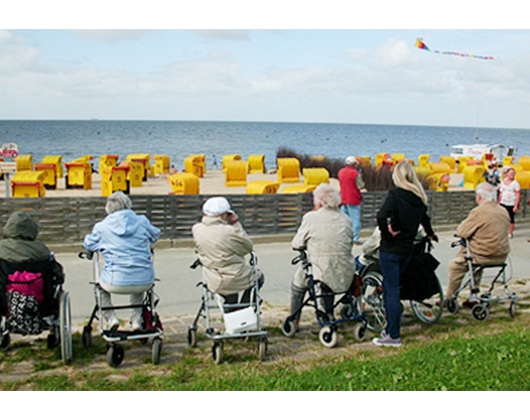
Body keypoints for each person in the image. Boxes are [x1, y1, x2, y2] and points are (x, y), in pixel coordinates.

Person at [372, 161, 437, 347]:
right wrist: (431, 234)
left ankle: (393, 335)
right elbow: (425, 219)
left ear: (397, 176)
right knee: (391, 287)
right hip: (407, 250)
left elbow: (381, 216)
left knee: (391, 290)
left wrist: (387, 232)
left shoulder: (395, 195)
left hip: (391, 249)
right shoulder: (418, 197)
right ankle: (390, 326)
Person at [83, 191, 160, 331]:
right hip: (144, 280)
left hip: (114, 281)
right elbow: (155, 235)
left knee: (100, 288)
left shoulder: (102, 227)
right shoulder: (142, 221)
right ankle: (137, 319)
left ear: (108, 208)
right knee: (137, 283)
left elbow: (88, 244)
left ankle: (111, 318)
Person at [290, 184, 355, 327]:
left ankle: (294, 320)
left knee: (298, 285)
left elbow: (296, 243)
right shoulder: (346, 220)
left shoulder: (311, 218)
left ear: (319, 201)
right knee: (329, 271)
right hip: (345, 272)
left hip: (321, 272)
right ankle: (329, 312)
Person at [445, 182, 510, 307]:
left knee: (456, 266)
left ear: (480, 197)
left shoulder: (479, 212)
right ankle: (472, 296)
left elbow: (462, 232)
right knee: (474, 265)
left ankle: (450, 297)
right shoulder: (503, 211)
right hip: (501, 256)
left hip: (482, 255)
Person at [192, 196, 264, 307]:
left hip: (213, 279)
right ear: (224, 215)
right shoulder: (229, 231)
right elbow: (248, 247)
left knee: (230, 290)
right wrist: (236, 223)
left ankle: (231, 310)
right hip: (234, 276)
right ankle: (244, 307)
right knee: (258, 276)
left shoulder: (197, 229)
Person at [338, 155, 366, 244]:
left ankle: (344, 237)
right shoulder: (355, 173)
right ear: (354, 164)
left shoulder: (341, 172)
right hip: (353, 198)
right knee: (355, 220)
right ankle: (355, 238)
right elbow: (361, 185)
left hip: (343, 198)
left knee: (344, 220)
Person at [498, 166, 520, 238]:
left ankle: (510, 233)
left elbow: (518, 194)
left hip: (511, 203)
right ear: (507, 173)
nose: (512, 175)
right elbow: (501, 193)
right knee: (501, 217)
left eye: (513, 173)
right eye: (511, 173)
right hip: (503, 202)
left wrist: (516, 205)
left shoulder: (515, 183)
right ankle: (501, 231)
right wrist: (498, 202)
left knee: (511, 218)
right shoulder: (503, 182)